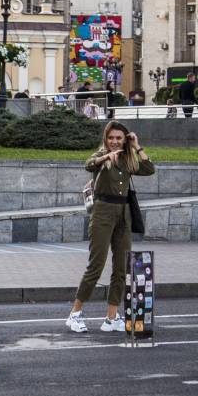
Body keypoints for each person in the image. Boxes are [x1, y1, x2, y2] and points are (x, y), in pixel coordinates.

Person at [66, 121, 155, 333]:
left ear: (125, 139)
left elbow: (150, 169)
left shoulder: (128, 159)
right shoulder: (101, 157)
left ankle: (111, 317)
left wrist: (136, 146)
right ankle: (74, 314)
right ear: (106, 139)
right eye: (111, 138)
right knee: (96, 265)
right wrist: (106, 156)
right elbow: (88, 164)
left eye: (119, 138)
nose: (115, 142)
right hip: (103, 212)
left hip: (123, 214)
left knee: (121, 267)